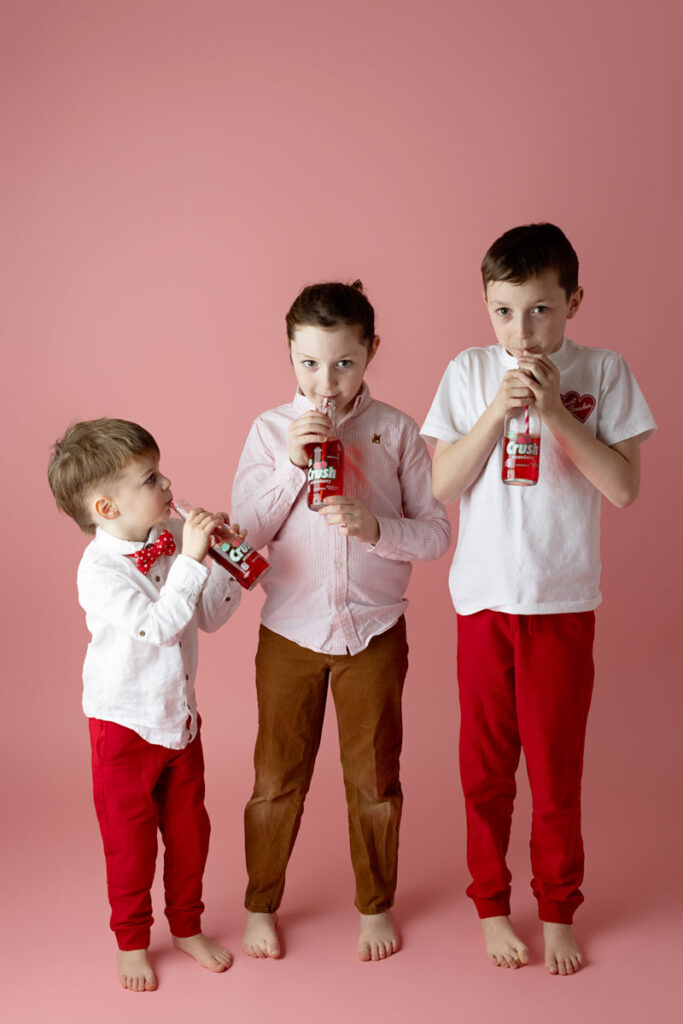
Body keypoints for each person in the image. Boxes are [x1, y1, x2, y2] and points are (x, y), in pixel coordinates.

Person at [421, 223, 656, 975]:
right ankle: (492, 906)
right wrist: (496, 410)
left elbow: (621, 489)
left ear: (572, 301)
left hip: (559, 605)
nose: (521, 331)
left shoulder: (604, 371)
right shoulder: (465, 371)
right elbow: (442, 484)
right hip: (483, 605)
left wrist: (556, 413)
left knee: (555, 771)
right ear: (485, 307)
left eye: (539, 311)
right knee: (483, 772)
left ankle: (557, 909)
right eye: (502, 311)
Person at [231, 280, 451, 962]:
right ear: (289, 355)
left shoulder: (397, 431)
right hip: (289, 635)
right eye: (308, 363)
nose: (325, 380)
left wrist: (374, 525)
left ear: (370, 352)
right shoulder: (270, 431)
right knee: (275, 780)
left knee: (373, 781)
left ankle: (374, 904)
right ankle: (260, 902)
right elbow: (243, 533)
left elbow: (436, 534)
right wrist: (294, 466)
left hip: (375, 632)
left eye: (343, 363)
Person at [48, 417, 241, 991]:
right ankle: (132, 940)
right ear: (107, 508)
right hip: (123, 725)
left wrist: (221, 562)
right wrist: (190, 560)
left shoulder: (170, 542)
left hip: (179, 719)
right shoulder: (98, 571)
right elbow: (158, 627)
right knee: (129, 844)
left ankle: (187, 926)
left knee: (190, 834)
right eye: (150, 478)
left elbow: (203, 617)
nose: (167, 484)